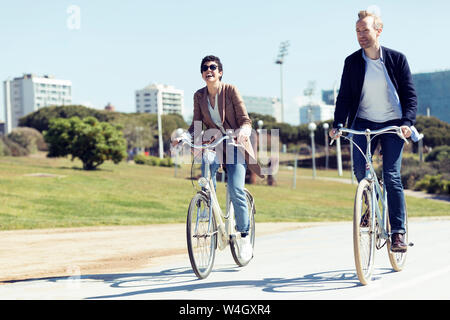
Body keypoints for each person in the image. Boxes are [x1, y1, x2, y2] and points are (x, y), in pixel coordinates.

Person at [329, 11, 418, 252]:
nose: (361, 35)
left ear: (378, 30)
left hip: (392, 124)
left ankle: (398, 232)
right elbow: (345, 97)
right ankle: (371, 204)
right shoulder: (352, 62)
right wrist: (338, 124)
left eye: (365, 30)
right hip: (363, 123)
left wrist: (408, 123)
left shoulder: (397, 59)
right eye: (357, 31)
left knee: (391, 175)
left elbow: (410, 95)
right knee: (361, 171)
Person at [176, 55, 263, 261]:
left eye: (213, 67)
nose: (209, 70)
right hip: (214, 143)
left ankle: (243, 236)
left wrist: (243, 131)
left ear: (220, 72)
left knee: (235, 189)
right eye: (205, 68)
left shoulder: (231, 90)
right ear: (202, 74)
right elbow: (197, 124)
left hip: (235, 145)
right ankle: (208, 205)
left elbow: (245, 119)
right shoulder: (199, 96)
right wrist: (185, 137)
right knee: (207, 163)